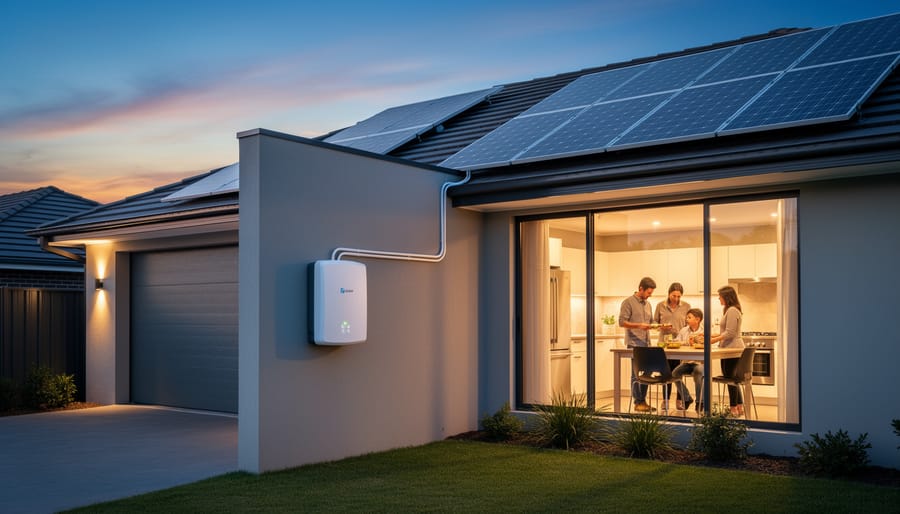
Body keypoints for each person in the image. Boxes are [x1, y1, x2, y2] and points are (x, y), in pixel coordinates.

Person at [619, 276, 656, 412]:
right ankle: (638, 402)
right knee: (635, 374)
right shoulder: (628, 302)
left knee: (649, 370)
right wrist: (639, 325)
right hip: (634, 343)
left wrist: (659, 326)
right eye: (648, 293)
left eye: (651, 293)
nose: (649, 295)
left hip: (646, 343)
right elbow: (622, 322)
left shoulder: (648, 304)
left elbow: (650, 323)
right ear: (641, 288)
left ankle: (642, 400)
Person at [709, 285, 745, 417]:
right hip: (729, 348)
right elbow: (724, 332)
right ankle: (739, 407)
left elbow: (730, 333)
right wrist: (708, 336)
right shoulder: (729, 310)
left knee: (730, 378)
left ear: (726, 297)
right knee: (732, 378)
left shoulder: (732, 310)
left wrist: (712, 341)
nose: (718, 298)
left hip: (732, 349)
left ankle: (733, 408)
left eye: (720, 296)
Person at [654, 282, 690, 410]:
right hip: (664, 345)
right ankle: (665, 400)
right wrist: (661, 326)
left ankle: (680, 400)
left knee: (678, 373)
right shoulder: (660, 306)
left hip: (680, 345)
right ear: (669, 294)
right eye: (674, 296)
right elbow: (654, 323)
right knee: (666, 373)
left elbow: (689, 324)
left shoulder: (686, 306)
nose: (676, 299)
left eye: (679, 296)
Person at [671, 308, 705, 411]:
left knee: (699, 372)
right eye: (687, 317)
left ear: (697, 319)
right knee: (674, 374)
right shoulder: (683, 330)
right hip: (686, 363)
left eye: (689, 317)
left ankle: (700, 402)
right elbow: (676, 341)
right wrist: (685, 342)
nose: (687, 319)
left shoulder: (704, 331)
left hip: (699, 363)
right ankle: (686, 398)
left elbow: (713, 345)